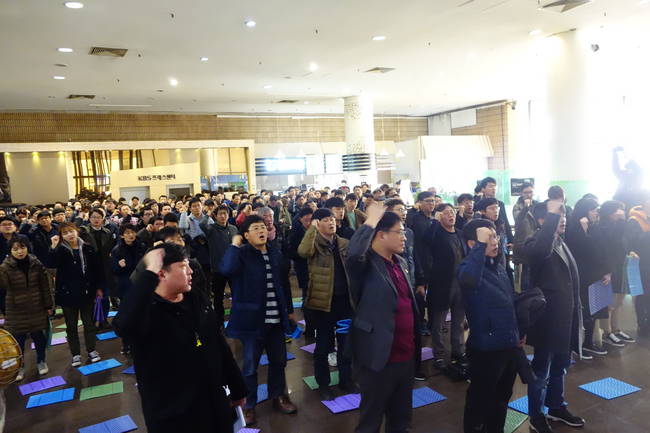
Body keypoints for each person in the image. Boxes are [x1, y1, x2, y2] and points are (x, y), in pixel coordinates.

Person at [113, 244, 246, 433]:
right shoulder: (146, 311)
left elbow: (219, 346)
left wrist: (237, 388)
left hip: (214, 404)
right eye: (183, 266)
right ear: (161, 274)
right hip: (173, 416)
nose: (191, 271)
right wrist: (149, 273)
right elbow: (123, 325)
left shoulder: (196, 299)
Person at [347, 203, 419, 433]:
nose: (404, 237)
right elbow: (353, 253)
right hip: (378, 358)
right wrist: (370, 221)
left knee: (401, 419)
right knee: (370, 421)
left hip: (405, 356)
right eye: (399, 232)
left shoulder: (401, 263)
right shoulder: (365, 265)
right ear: (381, 234)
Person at [220, 215, 297, 426]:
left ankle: (278, 396)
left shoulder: (274, 252)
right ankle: (249, 405)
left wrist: (290, 311)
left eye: (263, 227)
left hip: (276, 320)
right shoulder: (241, 254)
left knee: (279, 361)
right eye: (255, 228)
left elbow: (284, 283)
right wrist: (234, 245)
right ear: (246, 235)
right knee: (250, 366)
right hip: (252, 322)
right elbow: (226, 269)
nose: (261, 231)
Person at [524, 200, 585, 433]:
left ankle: (556, 406)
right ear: (543, 220)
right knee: (541, 371)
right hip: (548, 320)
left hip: (565, 318)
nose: (564, 220)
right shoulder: (534, 243)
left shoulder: (560, 241)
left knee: (560, 366)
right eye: (559, 216)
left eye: (564, 216)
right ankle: (536, 415)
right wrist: (552, 217)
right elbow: (541, 250)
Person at [458, 219, 520, 433]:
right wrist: (480, 247)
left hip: (508, 345)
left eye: (495, 236)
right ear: (472, 244)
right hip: (486, 349)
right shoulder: (467, 268)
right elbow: (468, 280)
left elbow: (508, 304)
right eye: (488, 238)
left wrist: (518, 334)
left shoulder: (498, 268)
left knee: (502, 398)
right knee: (480, 401)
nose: (494, 242)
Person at [298, 208, 354, 401]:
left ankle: (346, 379)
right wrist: (312, 230)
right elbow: (303, 251)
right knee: (323, 346)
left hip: (344, 303)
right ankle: (323, 384)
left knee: (346, 344)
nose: (331, 222)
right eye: (325, 220)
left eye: (332, 219)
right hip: (323, 305)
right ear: (317, 223)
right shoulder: (314, 244)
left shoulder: (344, 243)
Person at [46, 222, 103, 367]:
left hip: (87, 292)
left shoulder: (87, 247)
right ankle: (75, 354)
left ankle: (92, 350)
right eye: (65, 233)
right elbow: (51, 264)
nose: (69, 235)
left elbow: (97, 269)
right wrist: (53, 246)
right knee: (71, 326)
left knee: (89, 323)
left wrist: (99, 287)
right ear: (61, 236)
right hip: (68, 294)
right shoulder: (60, 250)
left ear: (76, 231)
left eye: (71, 231)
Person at [0, 238, 53, 380]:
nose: (20, 252)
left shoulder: (36, 263)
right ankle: (20, 366)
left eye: (22, 248)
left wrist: (48, 305)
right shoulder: (5, 267)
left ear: (28, 248)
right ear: (10, 251)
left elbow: (45, 286)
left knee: (39, 338)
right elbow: (2, 287)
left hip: (36, 306)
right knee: (18, 342)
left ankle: (41, 361)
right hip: (15, 310)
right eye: (15, 249)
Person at [423, 203, 467, 369]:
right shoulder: (436, 234)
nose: (451, 215)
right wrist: (435, 222)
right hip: (442, 283)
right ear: (439, 216)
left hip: (460, 282)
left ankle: (458, 350)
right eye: (447, 213)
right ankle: (439, 355)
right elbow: (426, 240)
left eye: (453, 212)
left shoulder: (460, 234)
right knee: (439, 322)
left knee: (459, 320)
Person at [565, 197, 610, 357]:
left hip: (596, 276)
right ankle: (579, 345)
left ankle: (589, 343)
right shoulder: (573, 228)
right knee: (583, 312)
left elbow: (602, 251)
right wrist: (583, 232)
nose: (596, 212)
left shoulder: (595, 227)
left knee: (594, 312)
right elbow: (585, 251)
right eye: (593, 209)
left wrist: (607, 271)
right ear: (584, 211)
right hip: (583, 277)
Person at [595, 200, 636, 345]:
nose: (622, 212)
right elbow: (607, 249)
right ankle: (607, 332)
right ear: (610, 212)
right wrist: (608, 270)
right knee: (609, 303)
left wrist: (630, 252)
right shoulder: (603, 227)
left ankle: (616, 329)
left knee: (619, 301)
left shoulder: (621, 225)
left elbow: (625, 243)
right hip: (609, 268)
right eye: (619, 209)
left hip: (621, 266)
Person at [110, 223, 146, 355]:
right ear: (121, 235)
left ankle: (141, 341)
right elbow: (114, 270)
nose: (131, 235)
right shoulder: (117, 250)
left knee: (142, 315)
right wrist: (119, 266)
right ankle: (126, 344)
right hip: (126, 287)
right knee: (127, 316)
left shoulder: (142, 246)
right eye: (127, 233)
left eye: (132, 232)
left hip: (141, 285)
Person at [200, 204, 238, 326]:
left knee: (237, 295)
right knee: (218, 296)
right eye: (220, 214)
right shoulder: (211, 229)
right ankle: (219, 321)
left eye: (225, 213)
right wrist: (208, 213)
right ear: (215, 216)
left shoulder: (233, 229)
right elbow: (202, 225)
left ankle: (236, 318)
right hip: (218, 268)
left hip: (233, 268)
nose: (223, 216)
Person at [79, 208, 116, 321]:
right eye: (93, 217)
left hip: (104, 267)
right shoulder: (83, 232)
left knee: (105, 295)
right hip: (90, 267)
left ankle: (103, 319)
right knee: (92, 296)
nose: (96, 220)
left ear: (103, 219)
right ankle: (93, 320)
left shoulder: (107, 232)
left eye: (99, 217)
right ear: (89, 218)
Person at [625, 190, 650, 336]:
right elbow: (632, 242)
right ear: (645, 203)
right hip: (642, 264)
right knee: (643, 294)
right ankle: (643, 324)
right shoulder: (634, 220)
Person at [288, 207, 314, 337]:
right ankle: (310, 329)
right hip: (303, 269)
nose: (309, 222)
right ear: (300, 219)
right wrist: (303, 253)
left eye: (311, 219)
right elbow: (291, 252)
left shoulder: (318, 230)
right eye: (306, 220)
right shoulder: (295, 233)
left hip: (316, 270)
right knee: (307, 299)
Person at [512, 183, 538, 292]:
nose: (528, 195)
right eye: (525, 192)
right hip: (523, 244)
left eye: (530, 192)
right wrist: (526, 208)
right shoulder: (517, 206)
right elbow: (518, 219)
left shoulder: (538, 205)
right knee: (524, 277)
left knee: (535, 275)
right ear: (521, 194)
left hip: (536, 243)